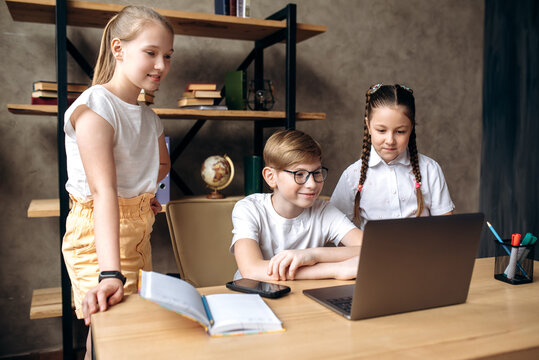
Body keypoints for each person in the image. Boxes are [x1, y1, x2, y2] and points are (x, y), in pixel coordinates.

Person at [61, 5, 173, 356]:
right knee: (110, 327)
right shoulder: (95, 107)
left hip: (138, 229)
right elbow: (104, 192)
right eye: (151, 53)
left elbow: (163, 162)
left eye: (167, 56)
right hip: (98, 235)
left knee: (131, 329)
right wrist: (111, 273)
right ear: (118, 48)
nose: (161, 66)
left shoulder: (150, 118)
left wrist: (142, 193)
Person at [230, 130, 363, 282]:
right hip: (253, 297)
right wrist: (336, 269)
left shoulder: (324, 211)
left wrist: (314, 255)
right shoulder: (249, 209)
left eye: (317, 172)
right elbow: (251, 270)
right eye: (299, 174)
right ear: (270, 177)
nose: (312, 184)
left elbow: (372, 251)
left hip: (299, 297)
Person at [331, 83, 454, 230]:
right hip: (373, 253)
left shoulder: (430, 169)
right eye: (381, 130)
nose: (390, 140)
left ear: (411, 128)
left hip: (423, 252)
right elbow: (334, 228)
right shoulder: (352, 176)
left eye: (400, 131)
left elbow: (446, 228)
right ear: (368, 126)